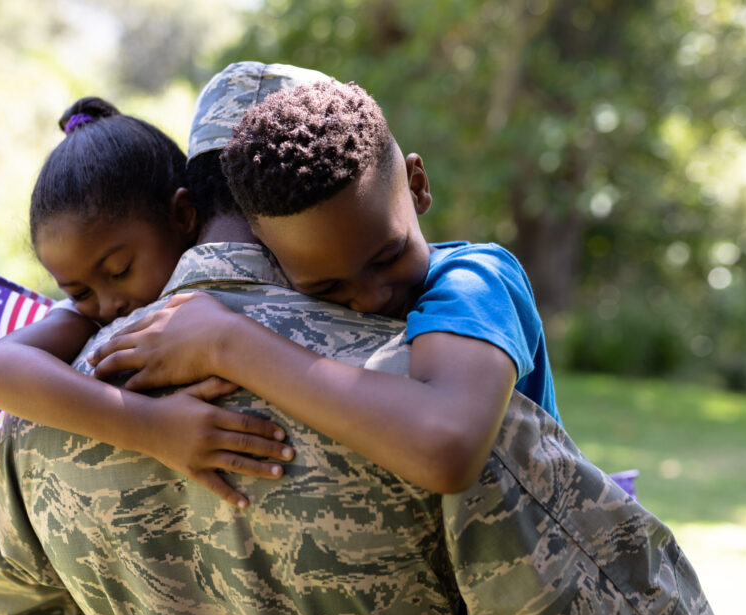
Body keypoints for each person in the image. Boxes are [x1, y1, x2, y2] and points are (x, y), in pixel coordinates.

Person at [0, 62, 712, 615]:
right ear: (272, 224)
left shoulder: (28, 429)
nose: (372, 293)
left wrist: (224, 346)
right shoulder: (415, 397)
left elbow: (19, 601)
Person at [86, 79, 556, 495]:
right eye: (326, 286)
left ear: (416, 185)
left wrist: (224, 342)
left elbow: (448, 451)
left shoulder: (478, 279)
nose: (372, 297)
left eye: (388, 256)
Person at [0, 96, 294, 508]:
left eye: (119, 270)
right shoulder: (88, 321)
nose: (108, 305)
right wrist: (150, 426)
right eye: (79, 291)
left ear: (183, 215)